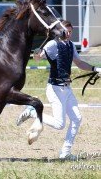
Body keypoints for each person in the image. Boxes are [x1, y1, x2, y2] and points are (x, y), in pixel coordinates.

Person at [16, 20, 101, 161]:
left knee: (77, 119)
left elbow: (79, 63)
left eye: (70, 32)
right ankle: (32, 112)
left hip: (67, 89)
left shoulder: (71, 45)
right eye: (66, 31)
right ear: (60, 30)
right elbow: (37, 58)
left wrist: (94, 68)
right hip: (55, 88)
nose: (68, 34)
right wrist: (37, 54)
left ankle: (65, 152)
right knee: (59, 124)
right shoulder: (52, 44)